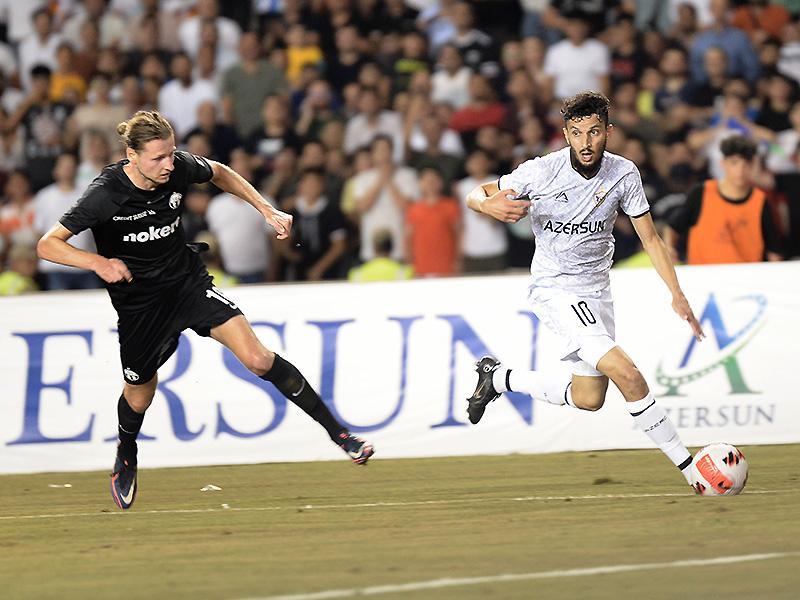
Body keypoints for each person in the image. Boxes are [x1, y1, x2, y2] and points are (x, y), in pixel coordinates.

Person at [36, 111, 374, 511]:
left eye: (171, 154)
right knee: (140, 396)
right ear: (132, 156)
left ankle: (340, 434)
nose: (168, 164)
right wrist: (98, 263)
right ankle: (126, 451)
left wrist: (266, 209)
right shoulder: (105, 193)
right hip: (140, 304)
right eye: (158, 158)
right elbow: (48, 244)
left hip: (188, 284)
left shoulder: (178, 166)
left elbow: (219, 172)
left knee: (258, 358)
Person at [463, 92, 705, 490]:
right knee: (628, 375)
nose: (586, 142)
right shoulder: (542, 171)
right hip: (555, 288)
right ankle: (692, 470)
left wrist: (677, 294)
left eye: (594, 132)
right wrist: (486, 206)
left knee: (589, 397)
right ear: (565, 135)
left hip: (597, 292)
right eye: (576, 133)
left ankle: (500, 378)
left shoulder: (624, 173)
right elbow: (478, 193)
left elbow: (651, 239)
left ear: (608, 131)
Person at [665, 134, 784, 264]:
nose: (740, 170)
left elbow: (773, 249)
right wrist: (669, 248)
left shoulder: (759, 200)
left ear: (753, 165)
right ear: (723, 163)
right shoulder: (702, 192)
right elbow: (673, 227)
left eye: (746, 163)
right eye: (734, 163)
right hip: (704, 272)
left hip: (747, 273)